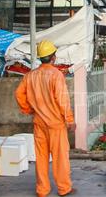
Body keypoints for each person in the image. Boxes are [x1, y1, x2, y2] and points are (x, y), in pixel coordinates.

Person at [15, 40, 76, 197]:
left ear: (41, 58)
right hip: (56, 124)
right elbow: (63, 101)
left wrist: (28, 109)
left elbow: (19, 94)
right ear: (53, 57)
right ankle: (64, 188)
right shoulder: (56, 75)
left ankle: (42, 190)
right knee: (60, 158)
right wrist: (69, 120)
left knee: (41, 158)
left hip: (39, 123)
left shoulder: (30, 76)